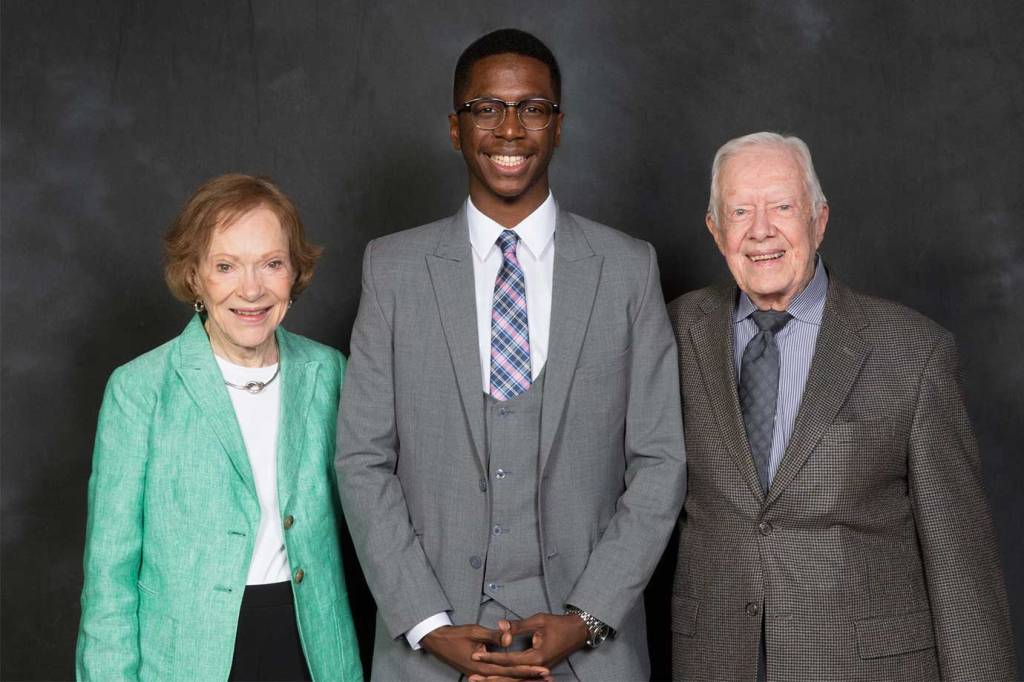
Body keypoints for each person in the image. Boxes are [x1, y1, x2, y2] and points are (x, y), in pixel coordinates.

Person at [336, 28, 685, 682]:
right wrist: (429, 626)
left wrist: (587, 617)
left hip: (592, 656)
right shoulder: (393, 269)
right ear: (454, 128)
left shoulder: (628, 269)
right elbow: (362, 460)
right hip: (432, 654)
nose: (509, 128)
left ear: (557, 126)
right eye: (486, 108)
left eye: (532, 108)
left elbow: (661, 460)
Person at [667, 132, 1016, 681]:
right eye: (739, 211)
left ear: (819, 219)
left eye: (782, 206)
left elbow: (960, 564)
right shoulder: (671, 334)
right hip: (715, 662)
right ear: (716, 230)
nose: (761, 230)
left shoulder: (913, 351)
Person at [76, 174, 363, 681]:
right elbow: (109, 579)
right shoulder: (139, 389)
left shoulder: (330, 373)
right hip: (187, 658)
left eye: (271, 264)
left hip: (313, 650)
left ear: (294, 272)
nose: (250, 289)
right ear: (195, 278)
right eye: (225, 266)